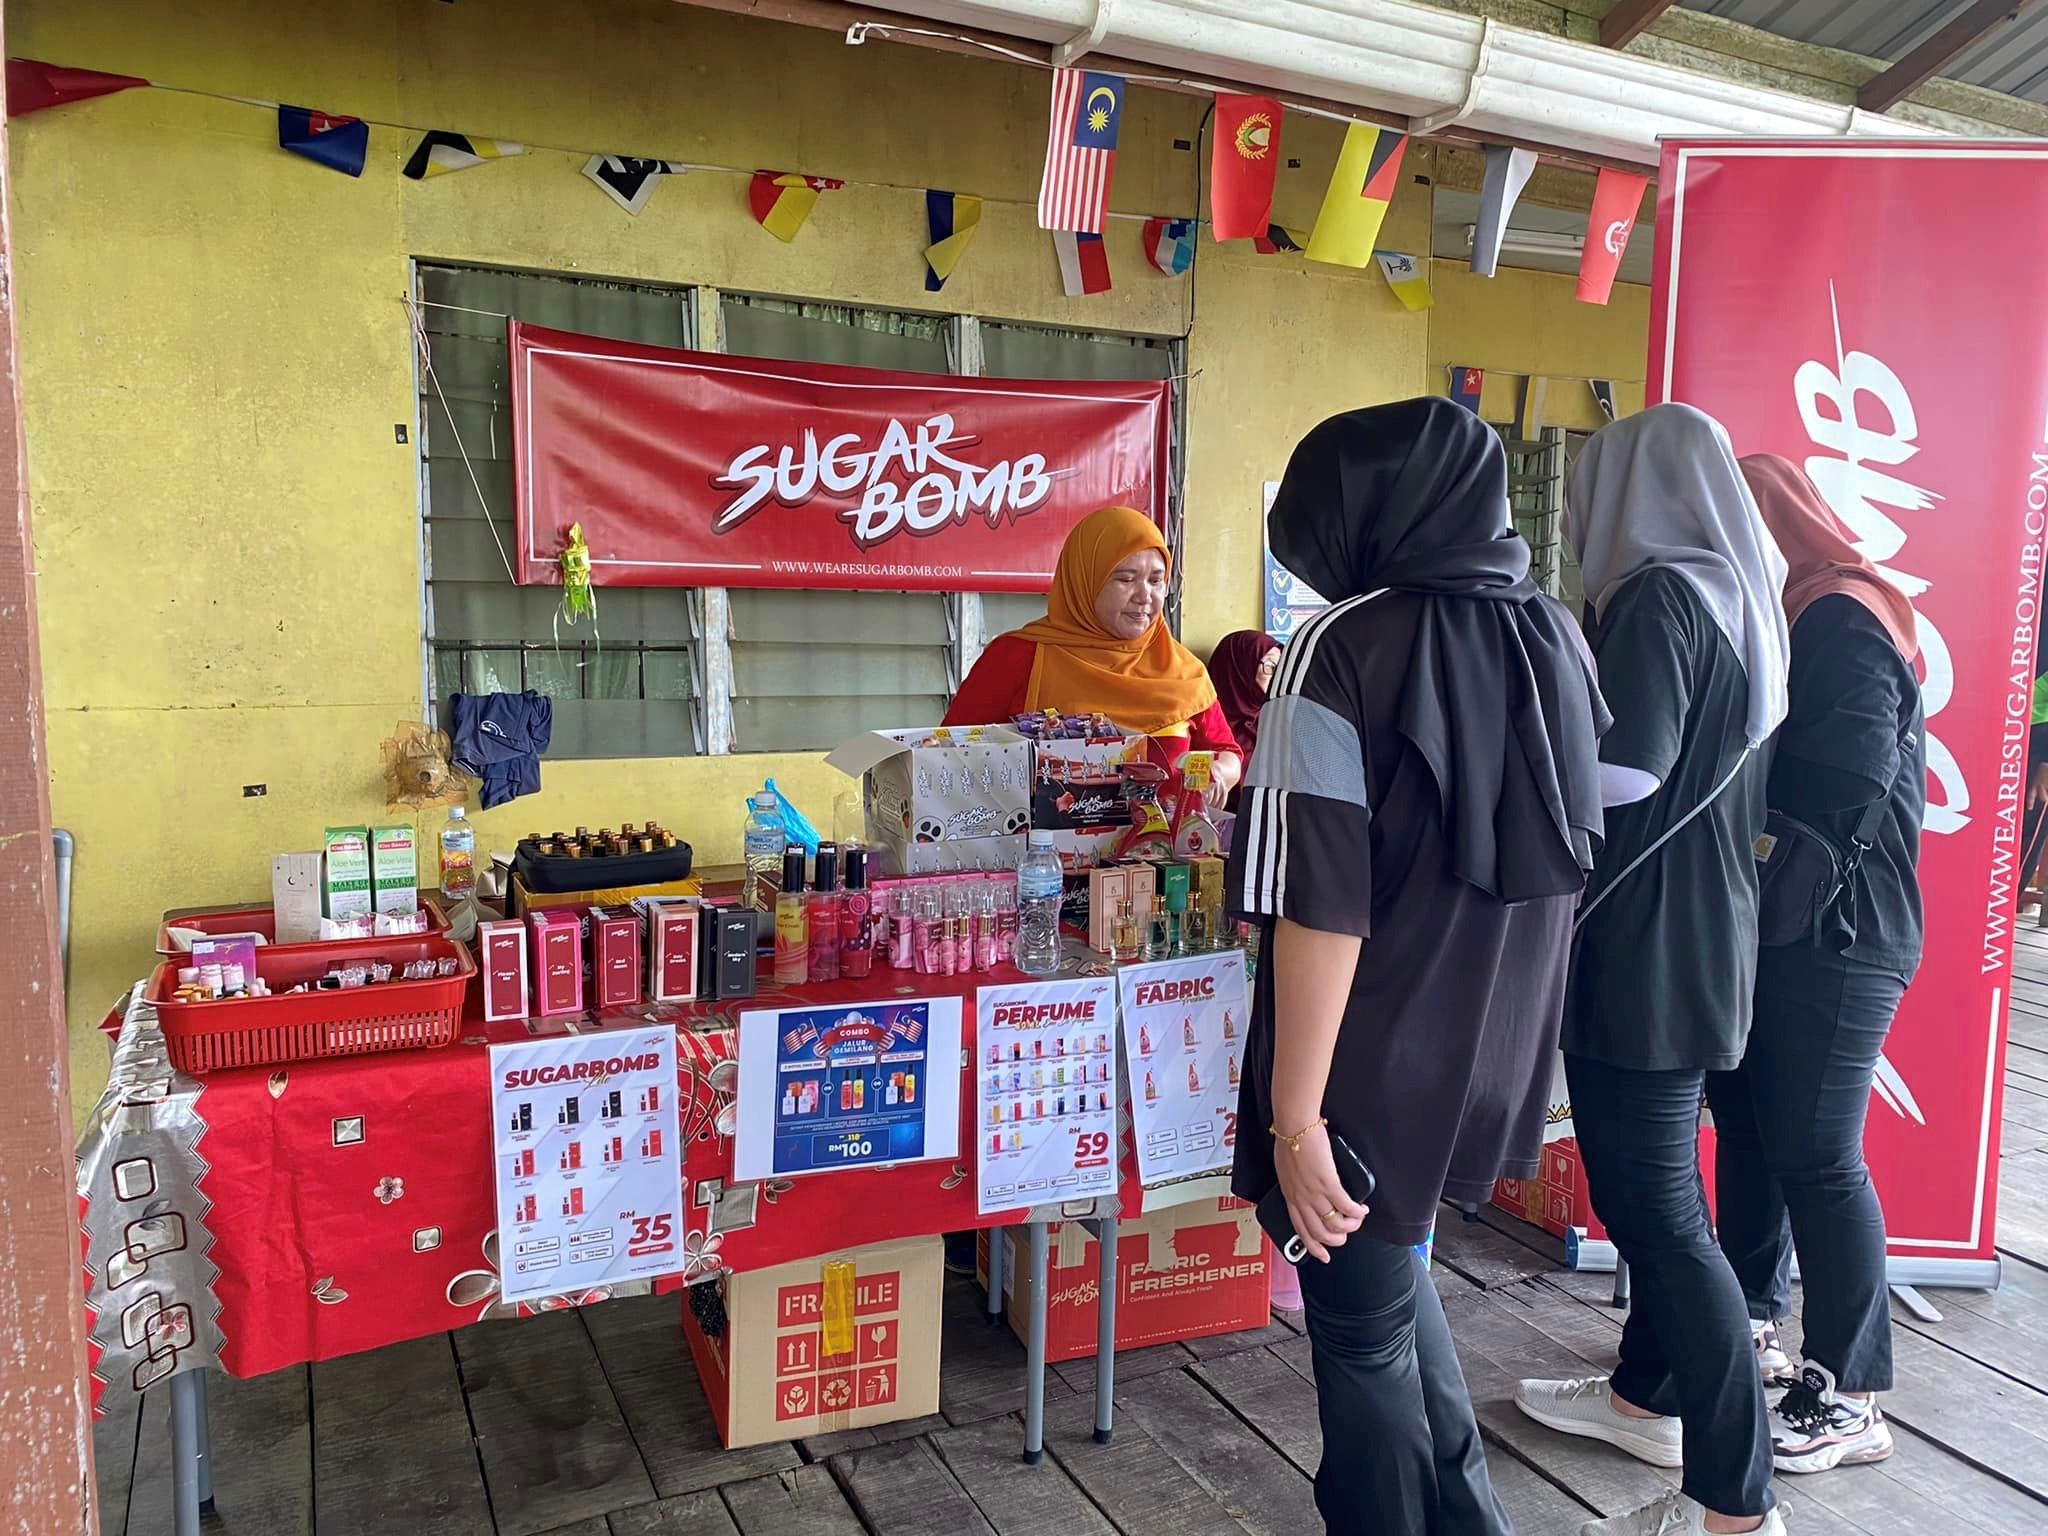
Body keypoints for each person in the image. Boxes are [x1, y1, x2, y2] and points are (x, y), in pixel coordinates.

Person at [1226, 398, 1608, 1536]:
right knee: (1391, 1296)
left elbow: (1318, 902)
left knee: (1358, 1341)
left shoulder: (1337, 648)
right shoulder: (1553, 630)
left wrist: (1296, 1120)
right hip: (1495, 1047)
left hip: (1365, 1061)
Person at [1515, 405, 1791, 1536]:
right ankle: (1644, 1397)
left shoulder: (1659, 598)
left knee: (1658, 1211)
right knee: (1661, 1196)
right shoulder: (1737, 600)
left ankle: (1736, 1500)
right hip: (1704, 935)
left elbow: (1627, 770)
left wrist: (1506, 763)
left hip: (1645, 949)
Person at [1702, 453, 1924, 1473]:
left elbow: (1846, 777)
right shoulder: (1794, 609)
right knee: (1752, 1128)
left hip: (1843, 934)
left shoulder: (1840, 614)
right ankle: (1750, 1325)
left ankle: (1850, 1391)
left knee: (1820, 1154)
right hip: (1788, 926)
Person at [944, 503, 1242, 794]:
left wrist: (1220, 772)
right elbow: (949, 753)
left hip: (1165, 830)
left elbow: (1227, 752)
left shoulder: (1184, 671)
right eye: (1126, 579)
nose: (1144, 595)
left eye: (1156, 580)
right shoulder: (1017, 657)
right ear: (1085, 580)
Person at [1207, 629, 1282, 762]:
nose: (1278, 675)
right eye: (1271, 665)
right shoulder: (1206, 728)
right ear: (1239, 671)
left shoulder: (1278, 721)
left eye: (1281, 667)